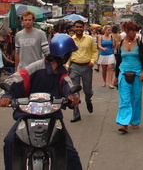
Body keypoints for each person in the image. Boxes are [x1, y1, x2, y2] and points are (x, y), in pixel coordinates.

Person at [0, 34, 83, 170]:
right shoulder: (36, 67)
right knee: (10, 142)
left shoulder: (62, 72)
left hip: (52, 117)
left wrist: (72, 97)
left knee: (69, 151)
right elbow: (13, 80)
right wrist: (6, 95)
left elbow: (70, 87)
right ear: (65, 55)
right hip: (27, 115)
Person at [115, 21, 143, 133]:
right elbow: (118, 61)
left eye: (135, 30)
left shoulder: (138, 43)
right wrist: (115, 76)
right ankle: (123, 123)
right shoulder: (120, 44)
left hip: (137, 74)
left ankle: (135, 120)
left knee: (136, 98)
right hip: (123, 74)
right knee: (125, 99)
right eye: (132, 30)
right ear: (126, 31)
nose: (134, 33)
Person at [66, 20, 98, 122]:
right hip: (74, 66)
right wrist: (67, 65)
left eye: (80, 27)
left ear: (84, 28)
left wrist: (93, 61)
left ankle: (88, 100)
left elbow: (95, 51)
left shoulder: (89, 39)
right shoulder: (70, 40)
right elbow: (68, 53)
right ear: (74, 28)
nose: (79, 29)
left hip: (87, 67)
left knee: (87, 90)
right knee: (74, 91)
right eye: (77, 27)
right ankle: (76, 114)